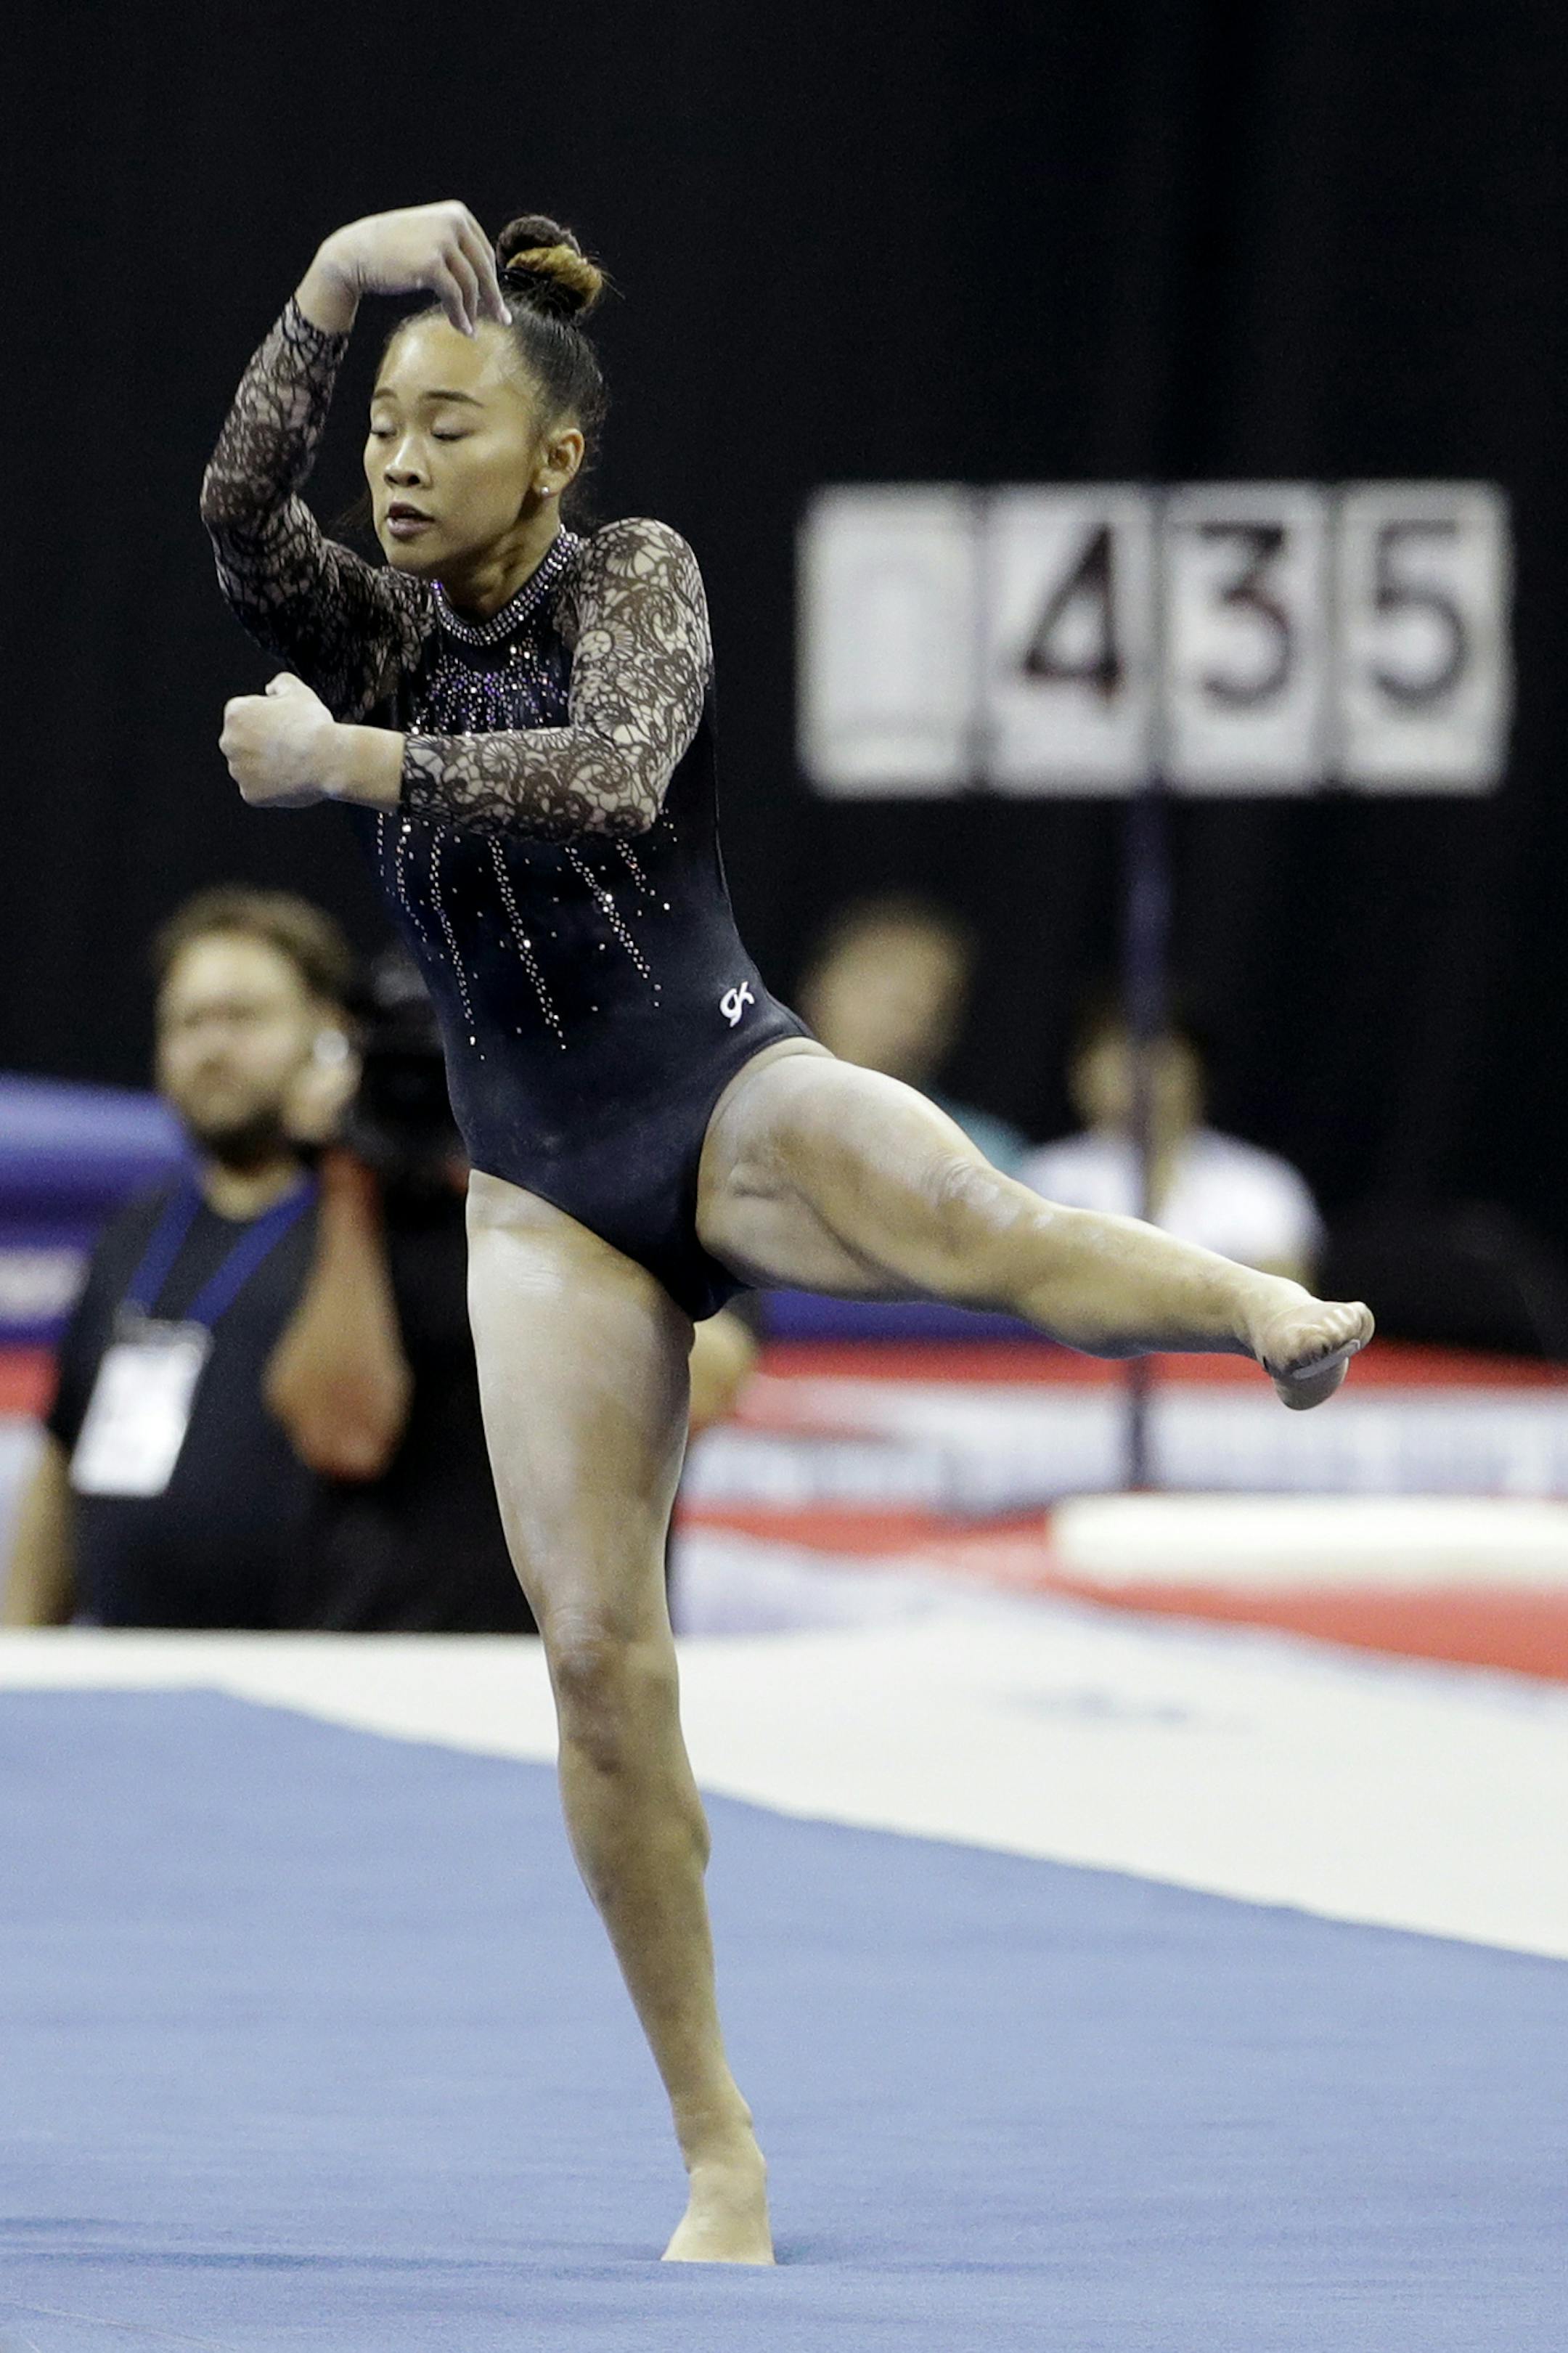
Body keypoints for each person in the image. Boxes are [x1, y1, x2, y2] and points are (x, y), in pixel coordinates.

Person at [201, 199, 1373, 2266]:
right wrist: (333, 280)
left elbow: (612, 777)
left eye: (443, 424)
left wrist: (348, 761)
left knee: (969, 1216)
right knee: (593, 1663)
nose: (391, 458)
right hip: (546, 1183)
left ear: (551, 458)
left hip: (724, 1087)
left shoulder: (635, 577)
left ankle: (1256, 1304)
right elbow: (231, 505)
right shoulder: (373, 616)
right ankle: (716, 2142)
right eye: (382, 422)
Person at [3, 889, 354, 1629]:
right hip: (132, 1679)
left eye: (244, 1016)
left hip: (324, 1674)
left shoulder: (369, 1226)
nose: (212, 1046)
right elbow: (62, 1467)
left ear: (328, 1032)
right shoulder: (134, 1230)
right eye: (188, 1022)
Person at [1022, 995, 1324, 1284]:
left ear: (1197, 1070)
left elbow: (1288, 1307)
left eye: (1156, 1056)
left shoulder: (1259, 1184)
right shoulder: (1043, 1180)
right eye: (1115, 1055)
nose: (1134, 1074)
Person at [795, 894, 1030, 1173]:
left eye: (923, 1004)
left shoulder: (980, 1157)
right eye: (875, 985)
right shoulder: (743, 1109)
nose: (894, 1018)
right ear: (816, 984)